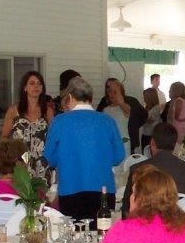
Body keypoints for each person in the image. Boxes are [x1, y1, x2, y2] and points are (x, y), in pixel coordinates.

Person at [43, 77, 125, 220]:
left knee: (74, 237)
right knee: (101, 236)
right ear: (91, 98)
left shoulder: (59, 121)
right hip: (103, 189)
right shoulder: (107, 121)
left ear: (69, 97)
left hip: (70, 188)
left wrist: (65, 159)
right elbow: (118, 156)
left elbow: (49, 156)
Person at [121, 124, 185, 217]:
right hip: (181, 225)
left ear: (152, 143)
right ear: (174, 145)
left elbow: (126, 209)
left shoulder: (138, 169)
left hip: (148, 227)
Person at [0, 71, 54, 182]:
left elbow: (54, 138)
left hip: (43, 164)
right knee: (22, 195)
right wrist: (13, 157)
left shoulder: (47, 111)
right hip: (21, 163)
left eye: (39, 84)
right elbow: (4, 138)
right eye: (32, 83)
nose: (36, 86)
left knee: (43, 197)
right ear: (25, 87)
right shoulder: (14, 111)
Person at [97, 78, 147, 154]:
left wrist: (134, 127)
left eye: (115, 91)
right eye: (110, 91)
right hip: (109, 143)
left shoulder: (127, 105)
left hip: (124, 142)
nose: (112, 94)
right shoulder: (105, 108)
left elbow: (142, 115)